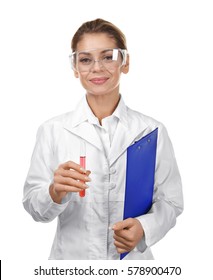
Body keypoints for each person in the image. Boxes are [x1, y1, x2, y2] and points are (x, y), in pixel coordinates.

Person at [23, 18, 183, 260]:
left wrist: (144, 228)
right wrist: (54, 191)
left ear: (125, 62)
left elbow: (171, 202)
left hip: (132, 266)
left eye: (108, 57)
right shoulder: (53, 130)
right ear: (75, 68)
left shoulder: (151, 131)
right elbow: (34, 207)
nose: (96, 67)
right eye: (86, 59)